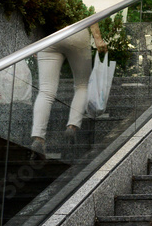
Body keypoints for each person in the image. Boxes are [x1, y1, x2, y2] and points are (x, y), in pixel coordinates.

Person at [30, 23, 107, 160]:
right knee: (82, 85)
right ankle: (72, 126)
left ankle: (39, 138)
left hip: (48, 35)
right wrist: (97, 38)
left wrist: (36, 41)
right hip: (76, 31)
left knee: (46, 90)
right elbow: (94, 15)